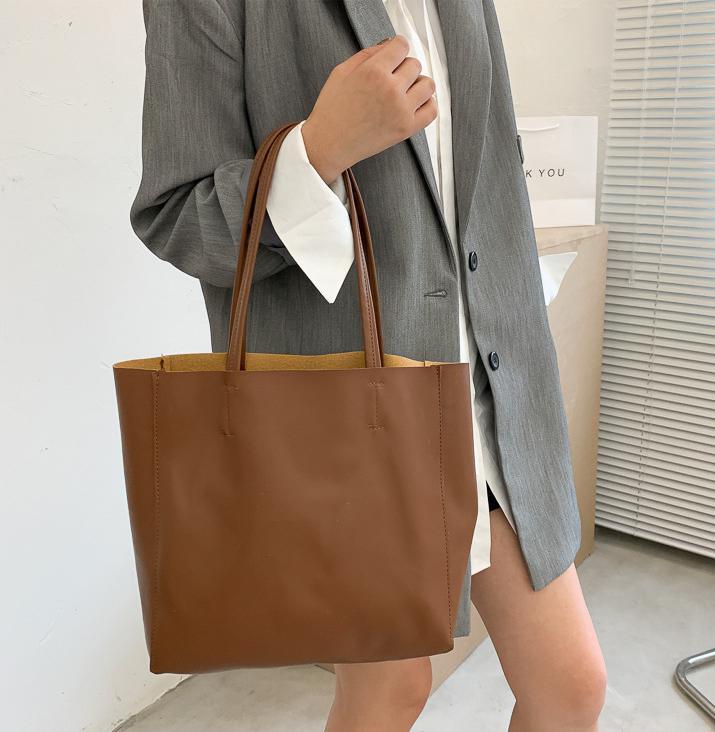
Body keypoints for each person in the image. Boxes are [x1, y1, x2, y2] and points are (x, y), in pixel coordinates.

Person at [130, 1, 607, 730]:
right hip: (356, 414)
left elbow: (485, 170)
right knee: (391, 690)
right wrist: (318, 150)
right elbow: (178, 217)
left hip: (491, 390)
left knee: (570, 689)